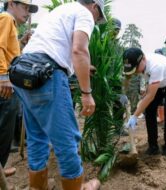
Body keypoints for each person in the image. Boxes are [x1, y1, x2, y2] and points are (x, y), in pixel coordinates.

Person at [13, 0, 106, 189]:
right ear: (94, 6)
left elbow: (54, 48)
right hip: (48, 75)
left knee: (37, 138)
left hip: (24, 72)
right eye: (98, 18)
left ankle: (37, 186)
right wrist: (86, 93)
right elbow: (79, 50)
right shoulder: (85, 13)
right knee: (66, 140)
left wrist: (82, 68)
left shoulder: (62, 10)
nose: (95, 21)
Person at [0, 0, 38, 178]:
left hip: (8, 83)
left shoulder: (11, 24)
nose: (28, 12)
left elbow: (10, 52)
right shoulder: (6, 18)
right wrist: (3, 77)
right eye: (24, 7)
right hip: (4, 86)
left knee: (6, 127)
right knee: (3, 129)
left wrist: (21, 43)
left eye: (29, 9)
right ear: (11, 4)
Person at [124, 47, 166, 157]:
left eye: (136, 68)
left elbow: (150, 96)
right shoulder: (137, 62)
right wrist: (123, 92)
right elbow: (128, 78)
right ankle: (153, 146)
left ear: (143, 59)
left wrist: (135, 116)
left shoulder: (155, 66)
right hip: (159, 82)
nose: (136, 71)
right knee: (150, 110)